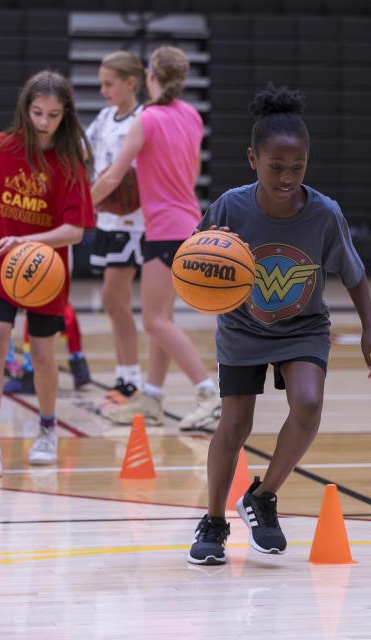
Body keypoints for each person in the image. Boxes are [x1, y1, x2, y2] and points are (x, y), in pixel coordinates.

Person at [186, 85, 371, 565]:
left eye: (297, 167)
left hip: (302, 326)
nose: (287, 177)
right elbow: (193, 259)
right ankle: (213, 518)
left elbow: (353, 274)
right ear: (253, 159)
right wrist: (210, 261)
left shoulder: (323, 213)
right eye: (276, 167)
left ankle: (263, 495)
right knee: (235, 423)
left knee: (309, 402)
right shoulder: (231, 207)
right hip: (242, 326)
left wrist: (370, 329)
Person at [0, 70, 95, 477]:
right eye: (37, 112)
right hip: (0, 263)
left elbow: (75, 231)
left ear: (65, 116)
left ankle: (47, 429)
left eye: (53, 114)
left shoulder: (68, 162)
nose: (43, 122)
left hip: (45, 270)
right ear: (24, 109)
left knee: (43, 355)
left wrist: (31, 243)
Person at [91, 46, 219, 430]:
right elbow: (193, 171)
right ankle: (152, 399)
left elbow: (114, 176)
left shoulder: (145, 119)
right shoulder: (193, 116)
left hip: (163, 228)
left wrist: (80, 207)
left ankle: (209, 394)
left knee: (154, 322)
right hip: (189, 223)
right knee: (163, 318)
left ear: (150, 77)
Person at [86, 51, 146, 399]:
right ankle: (125, 375)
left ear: (131, 83)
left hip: (134, 220)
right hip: (107, 216)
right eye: (101, 84)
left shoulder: (143, 118)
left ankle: (131, 377)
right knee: (114, 301)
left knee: (113, 297)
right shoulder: (106, 117)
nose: (104, 90)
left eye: (109, 84)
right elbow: (82, 148)